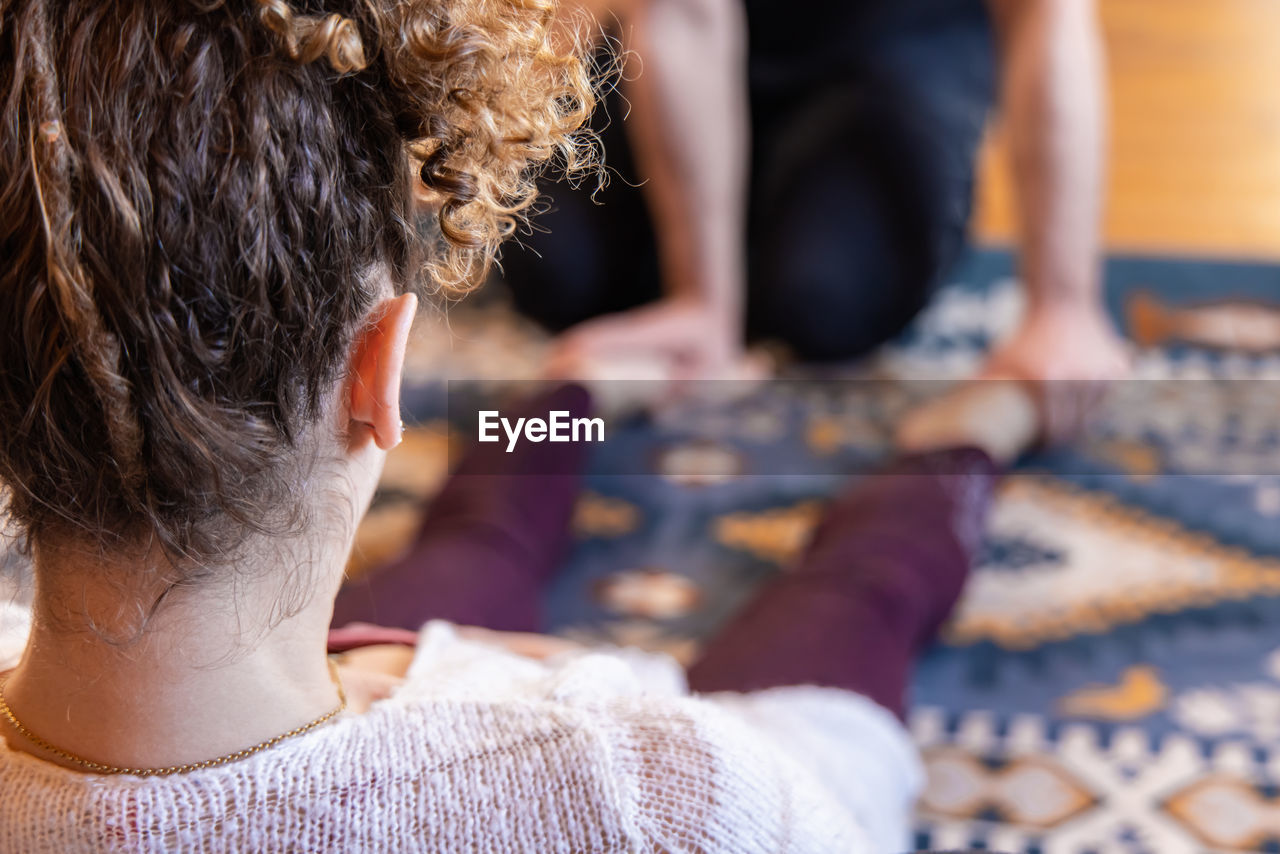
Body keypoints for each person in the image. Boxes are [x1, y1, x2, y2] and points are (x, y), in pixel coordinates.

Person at [0, 0, 1055, 850]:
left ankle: (576, 392)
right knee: (856, 592)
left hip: (302, 665)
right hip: (441, 686)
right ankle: (957, 441)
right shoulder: (672, 796)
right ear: (382, 373)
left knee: (475, 547)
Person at [502, 0, 1130, 384]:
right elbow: (682, 13)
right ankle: (734, 247)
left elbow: (1048, 15)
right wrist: (701, 301)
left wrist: (1063, 305)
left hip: (894, 46)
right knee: (553, 272)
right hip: (711, 38)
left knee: (826, 305)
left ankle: (769, 228)